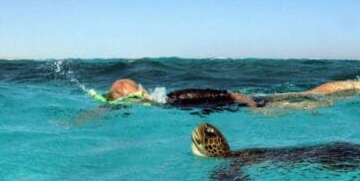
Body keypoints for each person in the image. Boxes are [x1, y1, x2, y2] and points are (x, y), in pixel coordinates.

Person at [102, 78, 258, 108]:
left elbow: (224, 94)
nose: (133, 104)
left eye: (134, 98)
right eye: (125, 102)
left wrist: (251, 104)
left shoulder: (175, 98)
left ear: (143, 92)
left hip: (236, 103)